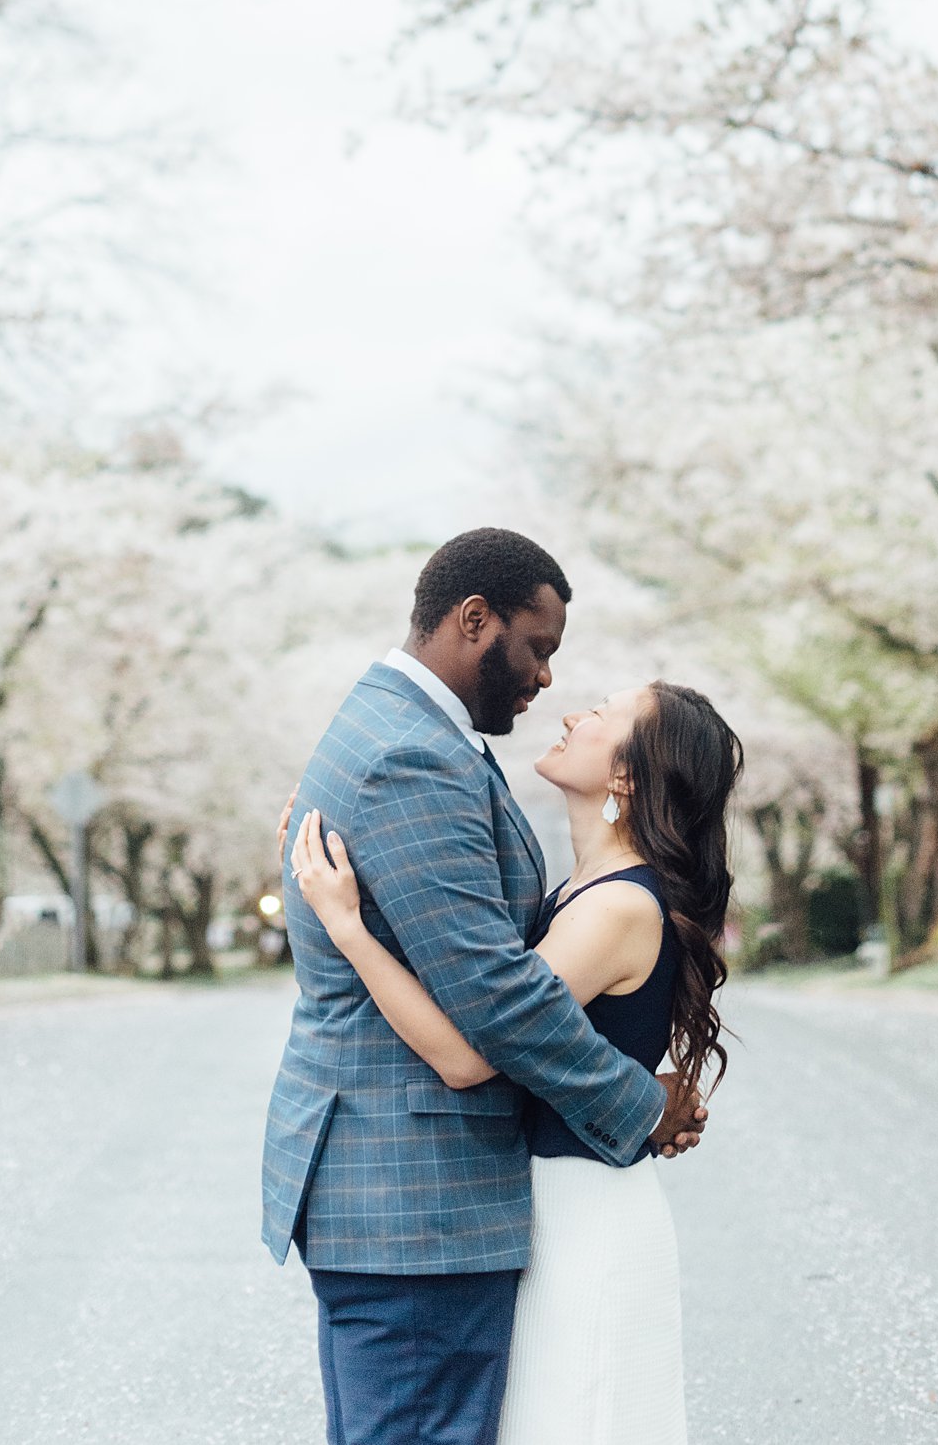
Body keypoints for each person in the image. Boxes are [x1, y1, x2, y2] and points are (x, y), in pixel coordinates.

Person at [262, 528, 712, 1445]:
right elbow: (499, 1003)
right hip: (416, 1201)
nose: (549, 682)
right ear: (476, 620)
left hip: (418, 1203)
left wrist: (351, 924)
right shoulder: (412, 757)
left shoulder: (415, 738)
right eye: (539, 646)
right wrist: (640, 1102)